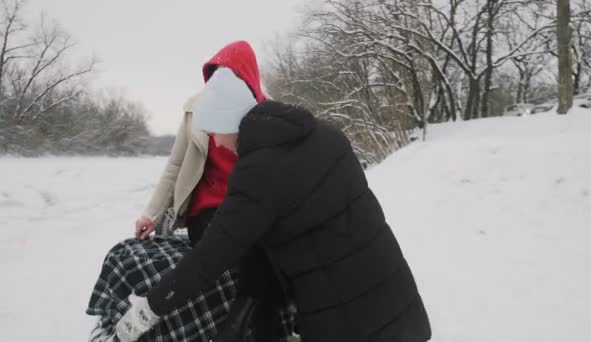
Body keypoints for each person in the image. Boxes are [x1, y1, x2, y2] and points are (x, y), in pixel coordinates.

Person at [114, 63, 432, 341]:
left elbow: (208, 261)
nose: (217, 142)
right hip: (397, 300)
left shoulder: (257, 173)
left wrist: (148, 310)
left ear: (228, 123)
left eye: (214, 132)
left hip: (348, 323)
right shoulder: (326, 135)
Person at [86, 41, 295, 342]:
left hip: (247, 209)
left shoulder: (262, 115)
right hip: (208, 210)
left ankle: (262, 328)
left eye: (230, 76)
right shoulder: (195, 111)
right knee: (245, 257)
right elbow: (175, 166)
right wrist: (151, 213)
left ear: (247, 78)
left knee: (269, 259)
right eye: (215, 75)